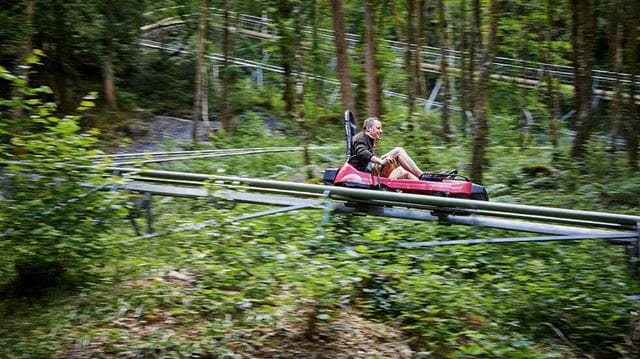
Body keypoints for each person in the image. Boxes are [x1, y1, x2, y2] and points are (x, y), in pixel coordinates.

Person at [348, 117, 427, 180]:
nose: (381, 131)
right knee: (400, 160)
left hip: (371, 168)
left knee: (399, 151)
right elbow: (362, 152)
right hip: (365, 172)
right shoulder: (359, 137)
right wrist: (381, 161)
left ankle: (421, 176)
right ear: (368, 128)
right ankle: (422, 180)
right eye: (378, 128)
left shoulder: (368, 139)